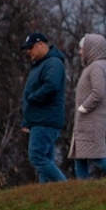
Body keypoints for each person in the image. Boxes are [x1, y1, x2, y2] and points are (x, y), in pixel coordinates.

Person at [67, 33, 106, 179]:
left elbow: (98, 92)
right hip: (87, 120)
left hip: (91, 120)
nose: (80, 52)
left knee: (97, 158)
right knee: (80, 156)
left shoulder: (96, 67)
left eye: (82, 48)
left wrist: (84, 107)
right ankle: (83, 191)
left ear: (91, 49)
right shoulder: (96, 66)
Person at [20, 32, 68, 183]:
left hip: (45, 120)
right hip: (40, 120)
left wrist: (33, 98)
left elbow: (51, 86)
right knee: (47, 160)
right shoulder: (41, 64)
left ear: (41, 44)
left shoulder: (53, 63)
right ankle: (46, 197)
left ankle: (66, 188)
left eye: (31, 47)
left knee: (37, 156)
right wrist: (27, 120)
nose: (28, 51)